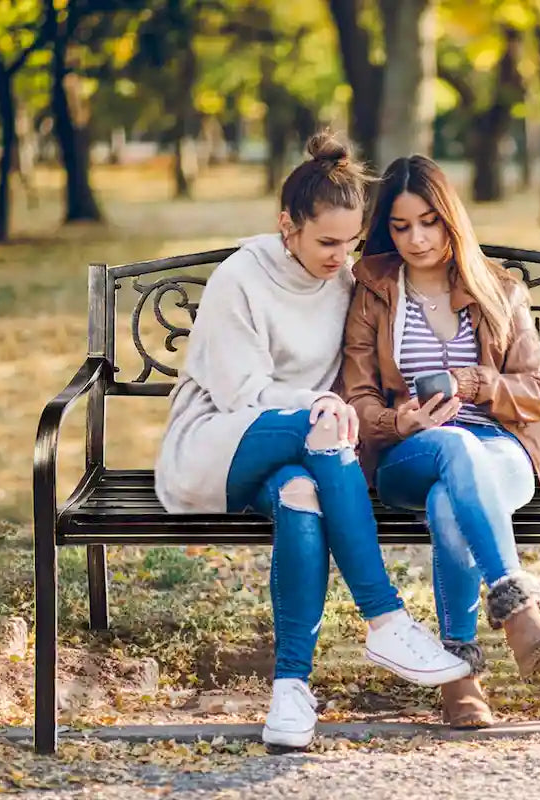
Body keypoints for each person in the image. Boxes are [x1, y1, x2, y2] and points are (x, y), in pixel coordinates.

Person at [155, 135, 469, 750]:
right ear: (286, 226)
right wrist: (319, 408)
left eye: (351, 242)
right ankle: (383, 617)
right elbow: (242, 395)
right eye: (326, 242)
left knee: (303, 497)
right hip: (214, 443)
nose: (340, 257)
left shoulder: (346, 282)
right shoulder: (239, 278)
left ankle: (290, 691)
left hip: (311, 451)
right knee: (321, 429)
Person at [340, 154, 540, 729]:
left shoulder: (499, 290)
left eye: (428, 222)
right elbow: (358, 397)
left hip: (503, 450)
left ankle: (459, 676)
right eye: (399, 226)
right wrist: (402, 422)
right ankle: (516, 607)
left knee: (452, 497)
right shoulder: (373, 292)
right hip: (411, 453)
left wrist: (479, 384)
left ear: (450, 220)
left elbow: (538, 391)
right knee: (451, 453)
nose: (415, 239)